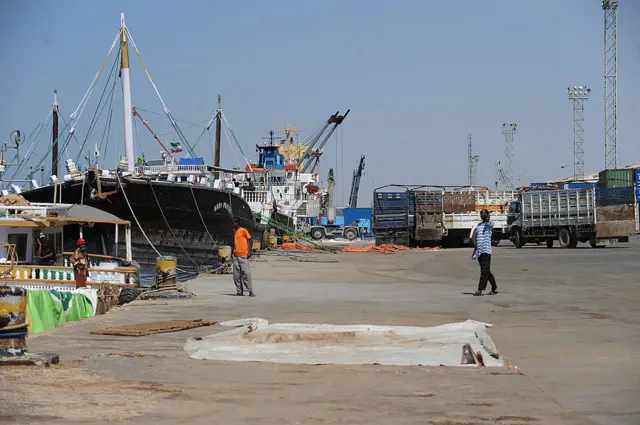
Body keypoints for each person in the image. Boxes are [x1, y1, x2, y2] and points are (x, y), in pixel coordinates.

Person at [472, 209, 498, 296]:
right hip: (479, 252)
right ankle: (494, 287)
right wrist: (475, 251)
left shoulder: (489, 225)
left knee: (484, 271)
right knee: (486, 271)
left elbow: (492, 223)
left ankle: (480, 289)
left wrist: (488, 218)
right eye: (480, 214)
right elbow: (478, 239)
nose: (481, 215)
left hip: (486, 251)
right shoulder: (479, 226)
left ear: (487, 215)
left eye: (483, 213)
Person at [231, 217, 254, 297]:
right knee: (236, 275)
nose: (232, 224)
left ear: (237, 223)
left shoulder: (243, 230)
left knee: (246, 273)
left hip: (243, 255)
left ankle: (250, 291)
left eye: (233, 223)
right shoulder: (234, 231)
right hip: (236, 256)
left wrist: (249, 251)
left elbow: (250, 240)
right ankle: (239, 291)